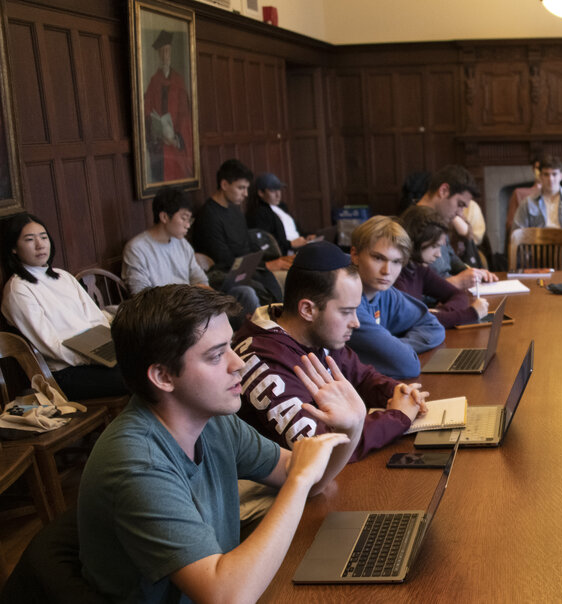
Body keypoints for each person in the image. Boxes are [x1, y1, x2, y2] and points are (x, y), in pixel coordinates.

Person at [78, 285, 363, 602]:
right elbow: (226, 597)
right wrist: (299, 479)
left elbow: (311, 479)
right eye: (216, 355)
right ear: (163, 376)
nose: (237, 363)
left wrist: (353, 426)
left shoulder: (213, 420)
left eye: (230, 345)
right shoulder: (137, 464)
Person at [235, 241, 427, 460]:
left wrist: (399, 392)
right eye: (346, 312)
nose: (355, 322)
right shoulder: (263, 360)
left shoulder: (317, 333)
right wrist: (398, 416)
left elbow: (362, 377)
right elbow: (319, 447)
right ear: (307, 309)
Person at [0, 213, 128, 400]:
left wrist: (108, 349)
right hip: (65, 373)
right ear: (13, 248)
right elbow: (50, 346)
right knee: (137, 378)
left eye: (43, 237)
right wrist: (93, 357)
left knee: (151, 363)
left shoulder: (63, 276)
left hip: (99, 356)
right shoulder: (18, 290)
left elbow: (96, 318)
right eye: (29, 239)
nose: (40, 244)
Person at [122, 187, 259, 314]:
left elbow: (200, 278)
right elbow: (141, 297)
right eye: (183, 218)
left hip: (193, 306)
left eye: (189, 220)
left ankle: (259, 334)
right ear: (164, 217)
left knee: (245, 293)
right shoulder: (137, 249)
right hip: (166, 313)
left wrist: (206, 294)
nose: (188, 225)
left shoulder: (181, 243)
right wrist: (189, 295)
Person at [347, 217, 445, 379]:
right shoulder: (347, 299)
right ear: (355, 255)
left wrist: (395, 346)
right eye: (378, 258)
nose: (387, 271)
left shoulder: (385, 292)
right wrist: (393, 350)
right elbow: (407, 366)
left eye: (396, 262)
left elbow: (433, 326)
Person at [192, 159, 286, 304]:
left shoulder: (235, 208)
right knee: (261, 290)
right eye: (241, 188)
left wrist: (262, 263)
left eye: (246, 188)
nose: (246, 194)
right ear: (224, 185)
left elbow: (247, 244)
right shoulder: (208, 216)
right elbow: (222, 259)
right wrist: (262, 265)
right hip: (226, 276)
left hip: (247, 268)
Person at [399, 164, 495, 289]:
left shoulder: (439, 220)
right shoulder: (411, 225)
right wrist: (457, 282)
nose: (460, 213)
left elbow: (452, 258)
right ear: (443, 190)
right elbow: (413, 289)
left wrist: (475, 273)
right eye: (460, 204)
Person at [395, 205, 488, 328]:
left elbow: (459, 295)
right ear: (416, 242)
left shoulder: (419, 269)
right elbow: (414, 321)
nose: (438, 255)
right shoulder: (396, 276)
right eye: (434, 246)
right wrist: (472, 313)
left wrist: (439, 314)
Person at [512, 154, 562, 269]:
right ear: (540, 176)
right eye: (546, 174)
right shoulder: (527, 202)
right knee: (520, 261)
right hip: (538, 248)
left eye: (554, 174)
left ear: (561, 176)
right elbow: (517, 232)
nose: (550, 179)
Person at [142, 30, 193, 183]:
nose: (165, 55)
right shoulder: (154, 81)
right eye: (162, 51)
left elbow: (186, 114)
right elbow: (146, 111)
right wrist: (156, 130)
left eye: (168, 51)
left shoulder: (178, 81)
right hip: (159, 145)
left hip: (175, 143)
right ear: (158, 54)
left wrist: (177, 138)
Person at [246, 172, 315, 256]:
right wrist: (291, 244)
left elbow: (296, 230)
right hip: (285, 253)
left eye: (279, 189)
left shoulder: (282, 207)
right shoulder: (259, 213)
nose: (278, 195)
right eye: (272, 191)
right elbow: (266, 243)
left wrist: (307, 236)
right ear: (261, 193)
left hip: (300, 247)